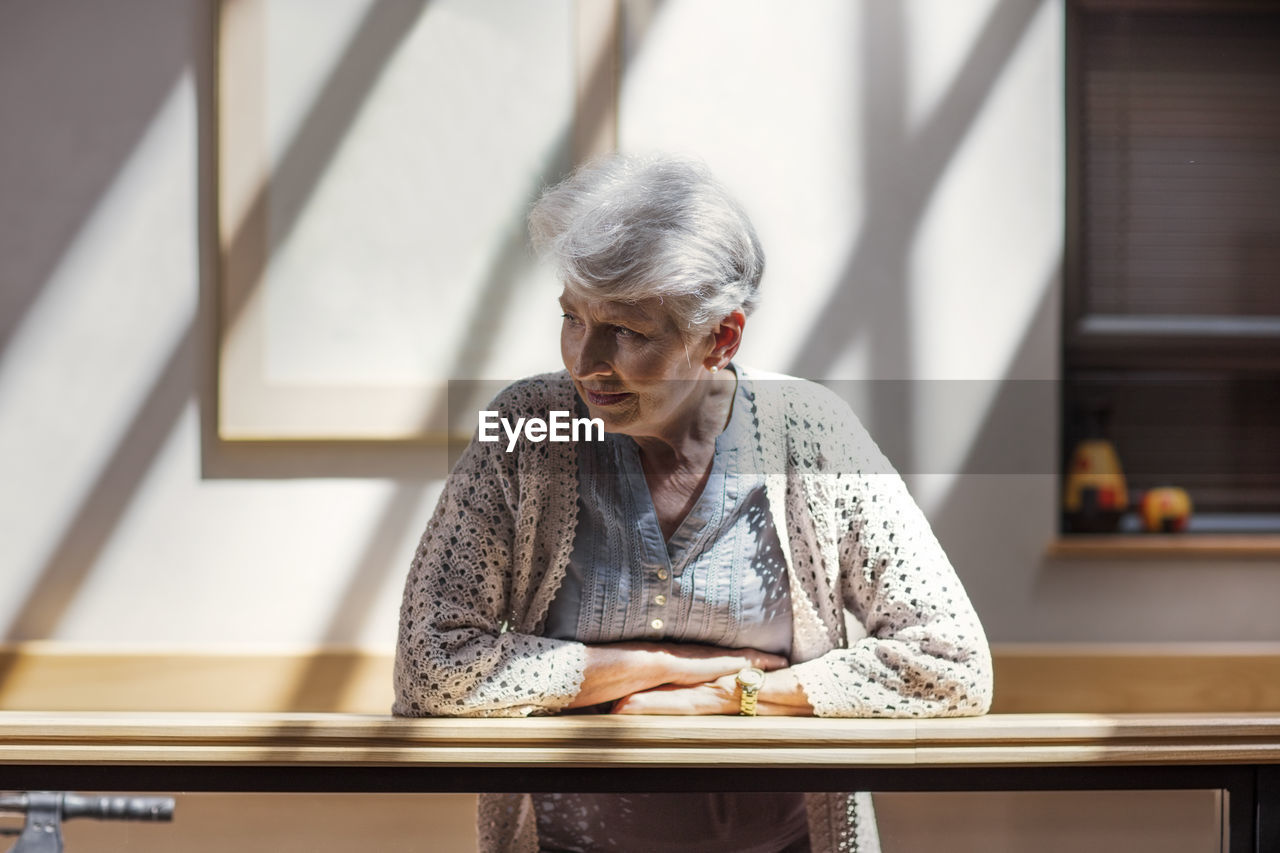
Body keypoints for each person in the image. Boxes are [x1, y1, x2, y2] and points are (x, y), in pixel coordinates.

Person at [393, 154, 993, 853]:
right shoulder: (529, 428)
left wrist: (727, 696)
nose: (585, 360)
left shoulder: (811, 430)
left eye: (626, 330)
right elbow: (428, 667)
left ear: (721, 336)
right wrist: (666, 666)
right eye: (571, 317)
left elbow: (951, 662)